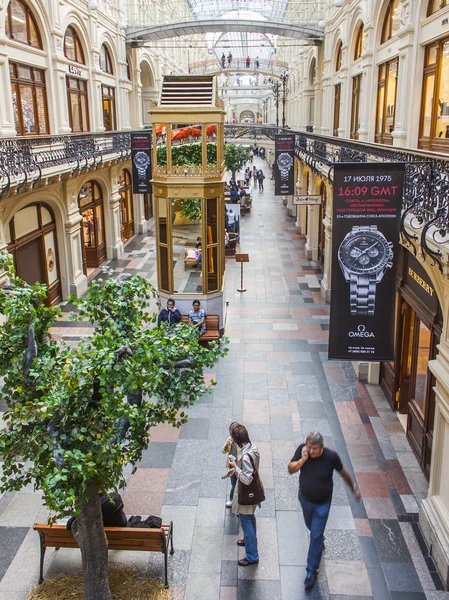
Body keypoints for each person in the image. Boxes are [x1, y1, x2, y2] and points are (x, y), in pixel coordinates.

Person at [288, 431, 361, 590]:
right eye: (309, 447)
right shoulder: (303, 451)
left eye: (314, 448)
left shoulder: (331, 457)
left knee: (315, 535)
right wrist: (302, 459)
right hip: (305, 499)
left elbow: (343, 473)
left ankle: (311, 572)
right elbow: (290, 469)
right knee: (310, 526)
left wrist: (353, 487)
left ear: (321, 447)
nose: (311, 451)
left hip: (323, 503)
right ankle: (319, 539)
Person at [227, 424, 261, 567]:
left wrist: (235, 468)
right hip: (254, 491)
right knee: (250, 518)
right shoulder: (253, 448)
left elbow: (247, 479)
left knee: (246, 521)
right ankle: (249, 541)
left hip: (247, 494)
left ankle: (252, 555)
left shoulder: (246, 457)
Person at [222, 421, 240, 508]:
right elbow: (223, 451)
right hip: (232, 466)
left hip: (239, 466)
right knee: (233, 484)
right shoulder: (229, 439)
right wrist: (227, 445)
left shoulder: (241, 441)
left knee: (240, 485)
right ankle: (231, 499)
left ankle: (238, 501)